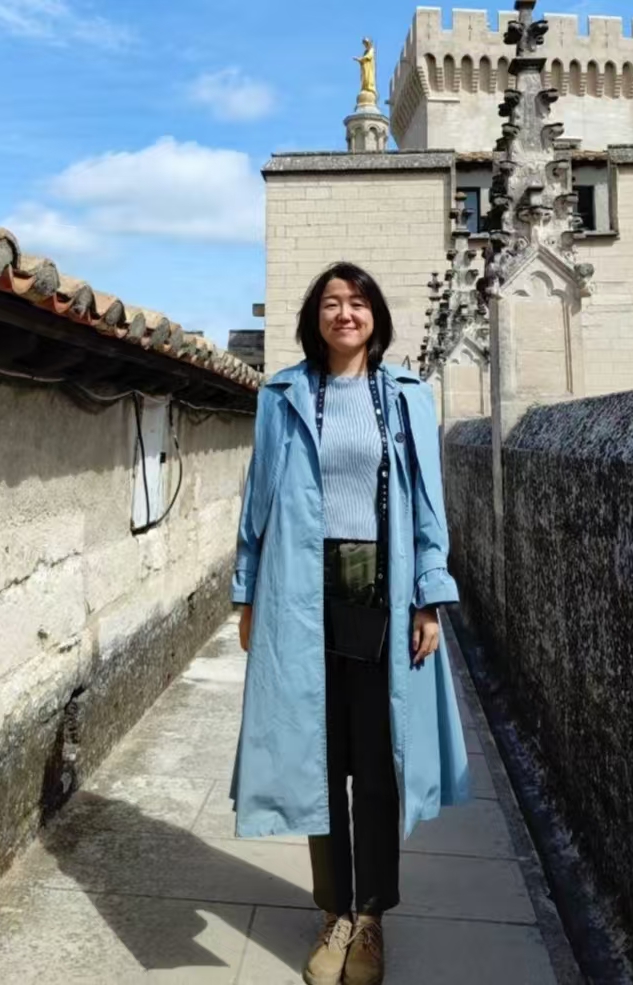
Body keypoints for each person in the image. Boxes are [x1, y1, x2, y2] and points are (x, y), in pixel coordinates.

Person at [230, 262, 469, 985]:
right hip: (299, 595)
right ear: (315, 317)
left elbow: (427, 503)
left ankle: (371, 918)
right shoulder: (282, 395)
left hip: (381, 595)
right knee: (317, 759)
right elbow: (257, 501)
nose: (345, 313)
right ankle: (333, 911)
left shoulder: (405, 396)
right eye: (332, 302)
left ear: (375, 317)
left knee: (377, 761)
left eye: (357, 302)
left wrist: (429, 597)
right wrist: (246, 594)